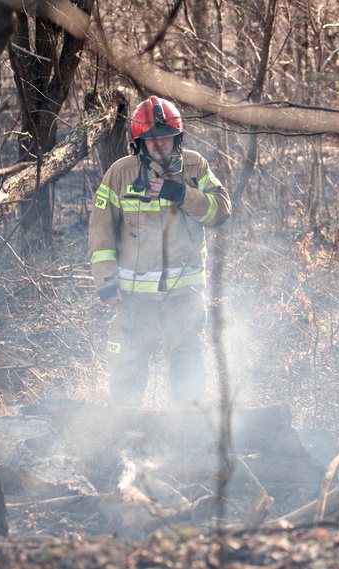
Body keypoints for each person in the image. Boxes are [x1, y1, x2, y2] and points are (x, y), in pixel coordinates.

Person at [88, 95, 231, 407]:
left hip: (184, 294)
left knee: (187, 363)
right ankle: (121, 432)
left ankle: (187, 433)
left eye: (166, 137)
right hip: (133, 296)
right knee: (129, 366)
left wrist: (181, 193)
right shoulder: (120, 174)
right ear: (139, 142)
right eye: (151, 139)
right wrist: (106, 282)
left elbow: (221, 211)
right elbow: (100, 231)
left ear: (178, 137)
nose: (160, 144)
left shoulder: (194, 167)